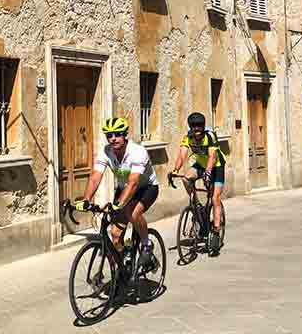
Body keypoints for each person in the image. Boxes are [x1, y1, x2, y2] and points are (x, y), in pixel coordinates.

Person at [74, 117, 160, 267]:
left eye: (117, 134)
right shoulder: (106, 152)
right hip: (123, 189)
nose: (113, 139)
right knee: (115, 234)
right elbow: (95, 177)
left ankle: (147, 244)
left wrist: (118, 204)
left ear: (125, 134)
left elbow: (133, 183)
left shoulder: (138, 152)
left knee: (133, 214)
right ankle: (123, 268)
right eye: (109, 135)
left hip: (146, 188)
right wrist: (86, 200)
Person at [170, 111, 226, 255]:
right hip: (201, 165)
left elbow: (213, 156)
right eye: (194, 126)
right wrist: (175, 169)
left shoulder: (210, 136)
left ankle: (215, 231)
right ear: (190, 127)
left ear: (203, 126)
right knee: (185, 178)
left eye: (199, 126)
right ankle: (197, 206)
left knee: (215, 198)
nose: (197, 129)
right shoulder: (187, 138)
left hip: (216, 167)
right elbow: (182, 155)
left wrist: (208, 173)